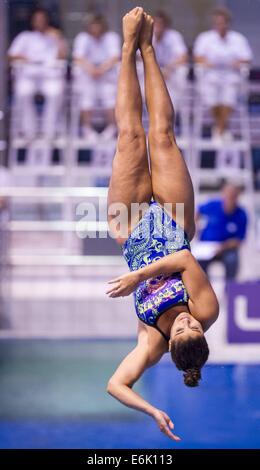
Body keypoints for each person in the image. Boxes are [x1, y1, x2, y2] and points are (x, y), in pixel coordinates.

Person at [105, 8, 219, 440]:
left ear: (169, 345)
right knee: (163, 135)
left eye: (183, 328)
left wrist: (150, 408)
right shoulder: (207, 310)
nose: (190, 321)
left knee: (130, 136)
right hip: (174, 222)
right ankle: (148, 47)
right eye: (196, 325)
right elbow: (185, 259)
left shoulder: (151, 343)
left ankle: (126, 48)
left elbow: (115, 384)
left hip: (129, 227)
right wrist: (139, 276)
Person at [8, 7, 67, 141]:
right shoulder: (25, 37)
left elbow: (63, 56)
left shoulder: (54, 36)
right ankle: (29, 131)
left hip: (50, 76)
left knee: (55, 93)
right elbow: (11, 56)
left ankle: (49, 132)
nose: (40, 22)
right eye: (37, 19)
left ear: (47, 20)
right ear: (32, 21)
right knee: (23, 92)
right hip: (29, 75)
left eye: (42, 19)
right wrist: (27, 59)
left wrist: (58, 39)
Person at [193, 7, 252, 141]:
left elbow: (247, 58)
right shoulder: (205, 38)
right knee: (211, 96)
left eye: (222, 22)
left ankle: (218, 129)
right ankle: (222, 129)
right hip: (210, 77)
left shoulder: (238, 38)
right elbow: (197, 57)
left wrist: (235, 62)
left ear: (228, 23)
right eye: (217, 23)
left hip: (231, 77)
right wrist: (209, 63)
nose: (220, 25)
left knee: (229, 97)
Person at [73, 13, 121, 142]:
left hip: (106, 74)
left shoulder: (111, 37)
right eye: (92, 25)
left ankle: (112, 127)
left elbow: (115, 57)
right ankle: (87, 128)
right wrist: (92, 70)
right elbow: (78, 58)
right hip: (88, 75)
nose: (95, 28)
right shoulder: (82, 37)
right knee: (86, 96)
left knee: (110, 96)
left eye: (97, 25)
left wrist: (100, 70)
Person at [196, 182, 248, 280]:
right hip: (206, 246)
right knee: (195, 262)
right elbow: (197, 212)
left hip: (226, 248)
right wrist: (195, 227)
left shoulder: (241, 214)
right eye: (228, 194)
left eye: (233, 195)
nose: (230, 198)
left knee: (232, 260)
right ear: (223, 194)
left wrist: (222, 247)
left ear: (237, 197)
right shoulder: (212, 205)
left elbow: (239, 240)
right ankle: (204, 289)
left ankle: (230, 289)